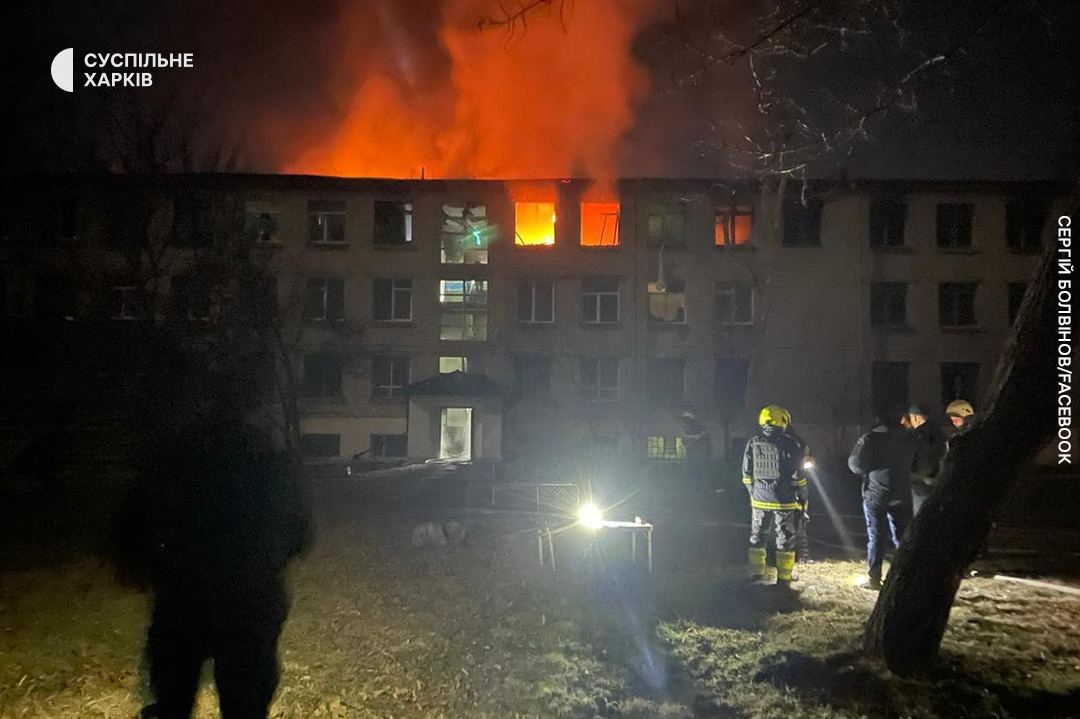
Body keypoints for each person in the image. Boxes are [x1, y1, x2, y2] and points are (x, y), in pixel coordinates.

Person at [112, 403, 313, 719]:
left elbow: (133, 525)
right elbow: (300, 535)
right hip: (250, 600)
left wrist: (148, 565)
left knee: (174, 698)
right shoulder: (270, 461)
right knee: (245, 702)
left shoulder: (174, 457)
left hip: (184, 597)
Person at [848, 410, 918, 590]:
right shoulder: (911, 438)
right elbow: (917, 464)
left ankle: (874, 578)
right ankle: (904, 577)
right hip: (902, 493)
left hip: (876, 493)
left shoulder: (870, 439)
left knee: (876, 535)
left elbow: (856, 465)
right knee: (902, 537)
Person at [742, 405, 807, 588]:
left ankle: (756, 573)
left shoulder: (753, 443)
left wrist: (754, 494)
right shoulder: (791, 444)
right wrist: (803, 495)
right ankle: (784, 578)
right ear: (783, 421)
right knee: (785, 537)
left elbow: (746, 475)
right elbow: (798, 474)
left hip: (759, 499)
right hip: (784, 500)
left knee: (757, 536)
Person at [901, 404, 945, 515]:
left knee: (920, 515)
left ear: (915, 417)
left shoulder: (915, 435)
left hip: (920, 484)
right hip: (936, 481)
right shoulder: (938, 432)